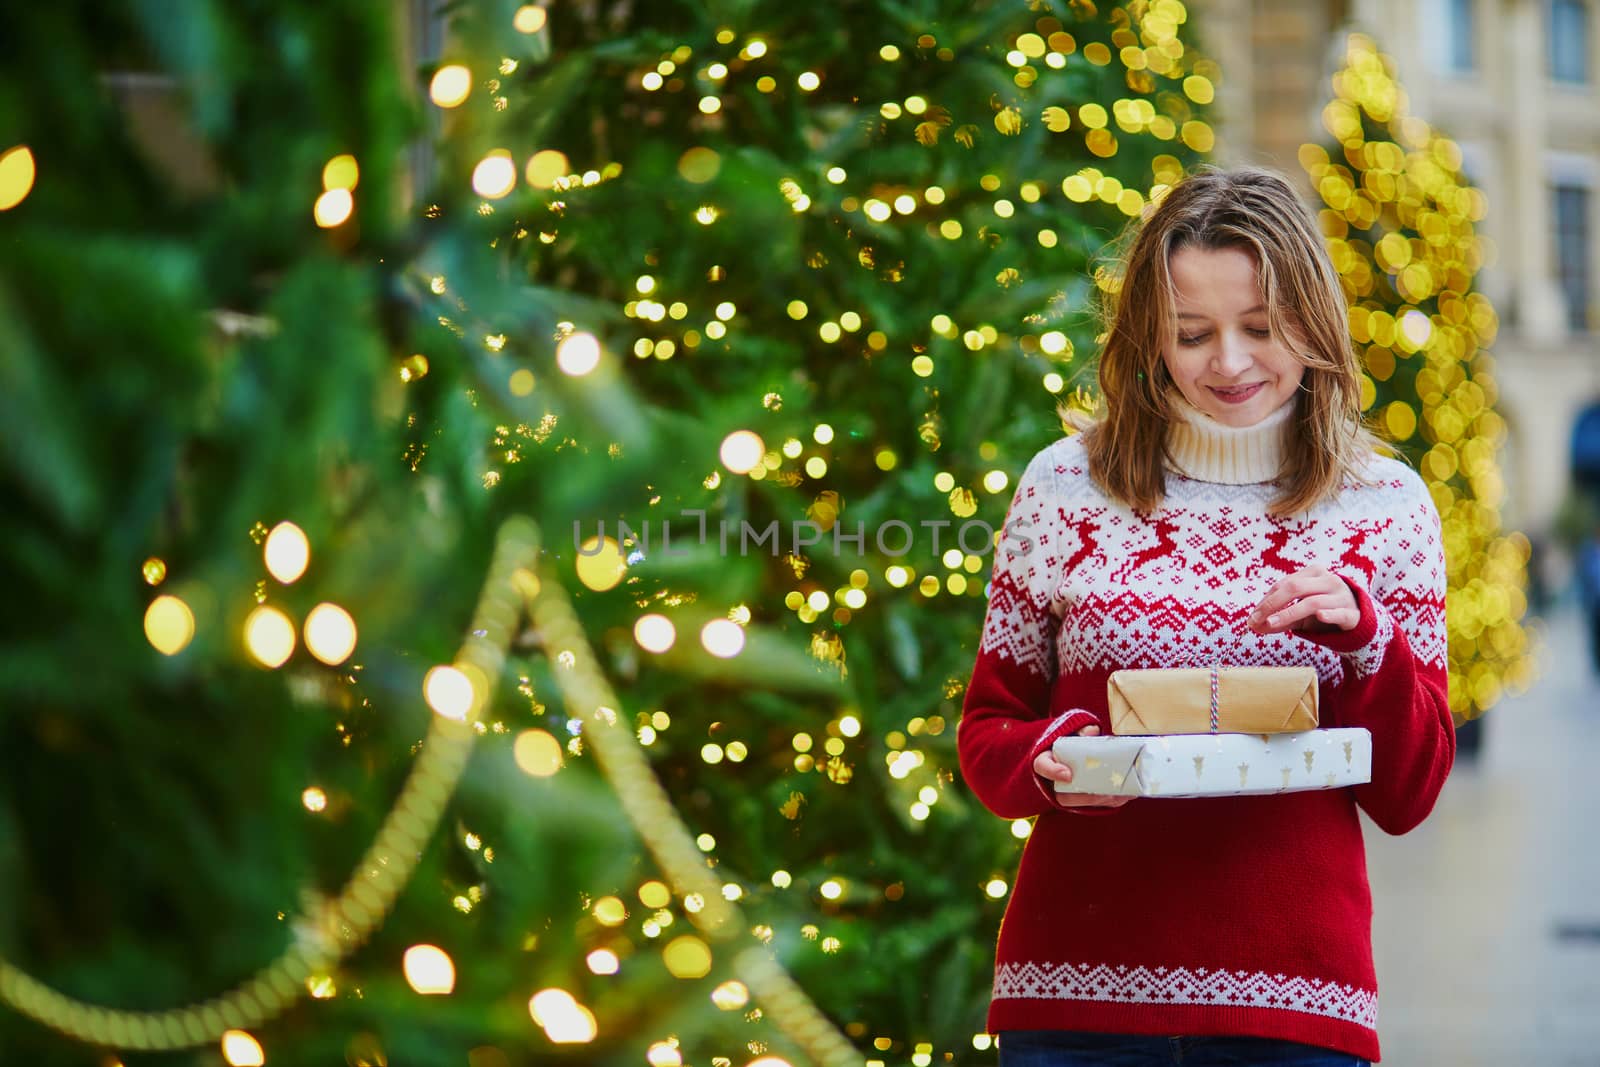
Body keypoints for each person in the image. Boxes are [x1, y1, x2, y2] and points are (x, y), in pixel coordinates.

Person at [958, 165, 1453, 1066]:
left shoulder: (1387, 506)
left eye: (1261, 328)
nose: (1228, 363)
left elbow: (1411, 792)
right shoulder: (1063, 488)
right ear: (1149, 337)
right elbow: (988, 735)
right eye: (1192, 334)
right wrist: (1057, 757)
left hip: (1298, 1013)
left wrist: (1366, 635)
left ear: (1315, 321)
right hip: (1075, 1006)